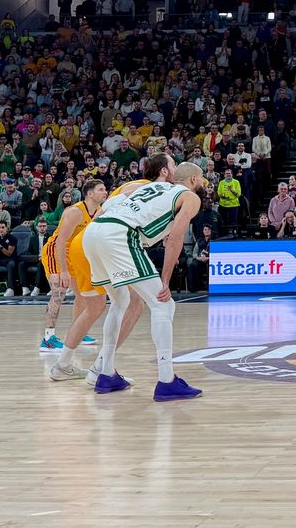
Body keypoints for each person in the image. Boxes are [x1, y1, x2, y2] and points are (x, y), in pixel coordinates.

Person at [82, 162, 206, 401]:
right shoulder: (190, 197)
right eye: (201, 180)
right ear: (192, 180)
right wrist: (165, 281)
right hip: (119, 235)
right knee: (164, 305)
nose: (202, 184)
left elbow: (109, 204)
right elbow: (175, 239)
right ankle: (167, 381)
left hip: (94, 232)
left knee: (120, 302)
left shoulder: (150, 187)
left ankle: (106, 375)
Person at [49, 156, 172, 383]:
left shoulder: (134, 187)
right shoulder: (148, 188)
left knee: (94, 307)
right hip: (101, 243)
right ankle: (102, 367)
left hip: (87, 244)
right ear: (164, 172)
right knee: (134, 302)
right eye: (173, 165)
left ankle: (63, 364)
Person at [38, 179, 107, 352]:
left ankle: (79, 333)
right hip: (56, 251)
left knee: (83, 295)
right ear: (90, 193)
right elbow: (61, 241)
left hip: (76, 253)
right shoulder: (75, 211)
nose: (105, 192)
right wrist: (63, 271)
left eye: (105, 189)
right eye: (101, 189)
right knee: (59, 292)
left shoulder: (99, 211)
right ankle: (48, 339)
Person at [0, 220, 17, 297]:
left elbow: (9, 253)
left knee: (11, 265)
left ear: (6, 228)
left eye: (3, 227)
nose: (1, 229)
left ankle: (10, 289)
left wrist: (1, 247)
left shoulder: (12, 238)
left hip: (9, 259)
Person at [188, 224, 212, 291]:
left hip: (210, 259)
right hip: (200, 259)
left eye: (208, 229)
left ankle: (208, 287)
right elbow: (194, 253)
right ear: (203, 231)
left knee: (209, 266)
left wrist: (208, 258)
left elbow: (216, 254)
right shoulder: (199, 241)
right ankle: (193, 288)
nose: (207, 231)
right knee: (192, 265)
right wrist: (199, 258)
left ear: (211, 231)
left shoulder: (214, 241)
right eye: (205, 229)